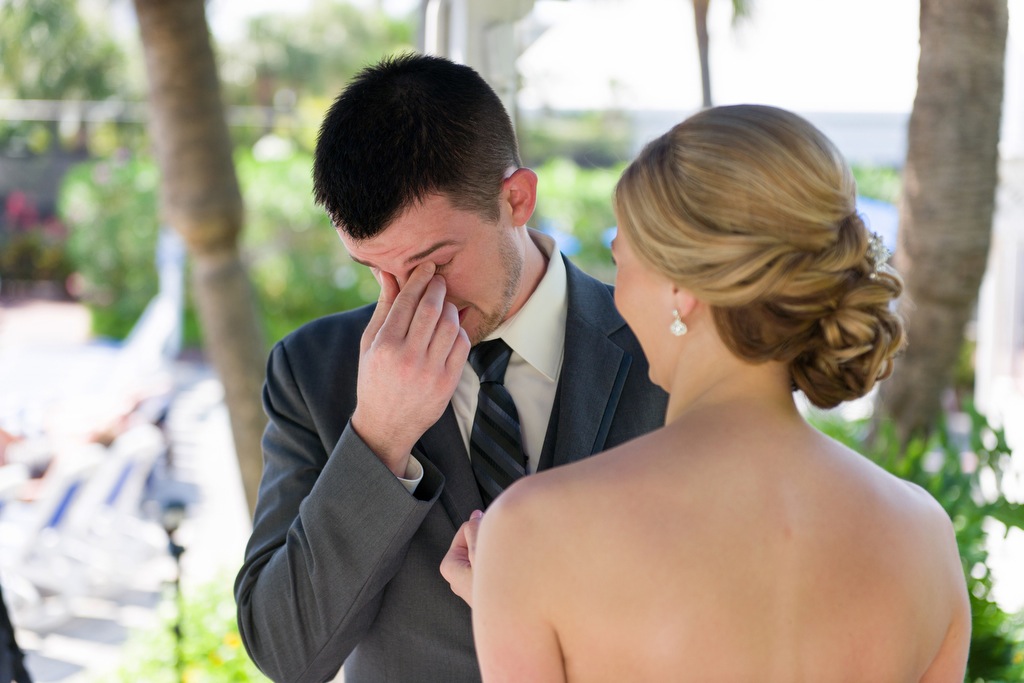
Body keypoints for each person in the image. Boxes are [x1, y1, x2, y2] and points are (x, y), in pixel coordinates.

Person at [443, 105, 971, 682]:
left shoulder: (535, 533)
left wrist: (510, 596)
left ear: (682, 288)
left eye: (626, 255)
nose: (616, 284)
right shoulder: (924, 534)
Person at [233, 52, 667, 683]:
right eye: (376, 270)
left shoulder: (663, 354)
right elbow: (286, 654)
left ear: (516, 199)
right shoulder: (311, 373)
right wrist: (378, 438)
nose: (407, 298)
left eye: (432, 262)